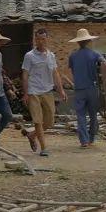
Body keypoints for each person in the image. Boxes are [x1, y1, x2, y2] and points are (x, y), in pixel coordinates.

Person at [21, 28, 67, 157]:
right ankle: (44, 148)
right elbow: (25, 75)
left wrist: (61, 90)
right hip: (33, 91)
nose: (40, 42)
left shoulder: (51, 56)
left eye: (43, 39)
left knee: (50, 120)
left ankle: (32, 134)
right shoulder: (29, 56)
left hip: (47, 91)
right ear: (35, 40)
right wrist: (25, 93)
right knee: (38, 121)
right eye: (38, 39)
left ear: (47, 39)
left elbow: (55, 73)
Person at [66, 28, 106, 148]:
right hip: (92, 88)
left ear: (78, 42)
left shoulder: (73, 56)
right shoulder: (94, 54)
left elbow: (72, 71)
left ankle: (84, 141)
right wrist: (103, 77)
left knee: (80, 115)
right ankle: (91, 139)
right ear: (88, 41)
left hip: (79, 88)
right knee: (93, 115)